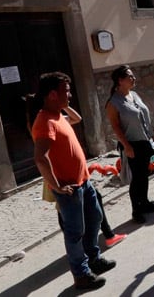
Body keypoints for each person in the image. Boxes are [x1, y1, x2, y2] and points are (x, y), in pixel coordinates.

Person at [32, 72, 116, 290]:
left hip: (83, 181)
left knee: (95, 218)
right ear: (52, 94)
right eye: (66, 91)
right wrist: (57, 186)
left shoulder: (58, 115)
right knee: (75, 232)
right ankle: (81, 274)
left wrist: (63, 104)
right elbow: (40, 158)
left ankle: (94, 260)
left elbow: (77, 118)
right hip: (68, 189)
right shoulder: (45, 122)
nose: (70, 95)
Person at [105, 65, 154, 224]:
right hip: (131, 144)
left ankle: (145, 203)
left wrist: (151, 132)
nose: (134, 78)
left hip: (143, 141)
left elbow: (143, 115)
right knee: (137, 178)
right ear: (120, 81)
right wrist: (127, 146)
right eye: (130, 76)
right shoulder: (113, 102)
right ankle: (136, 210)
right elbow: (116, 126)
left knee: (144, 175)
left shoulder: (134, 95)